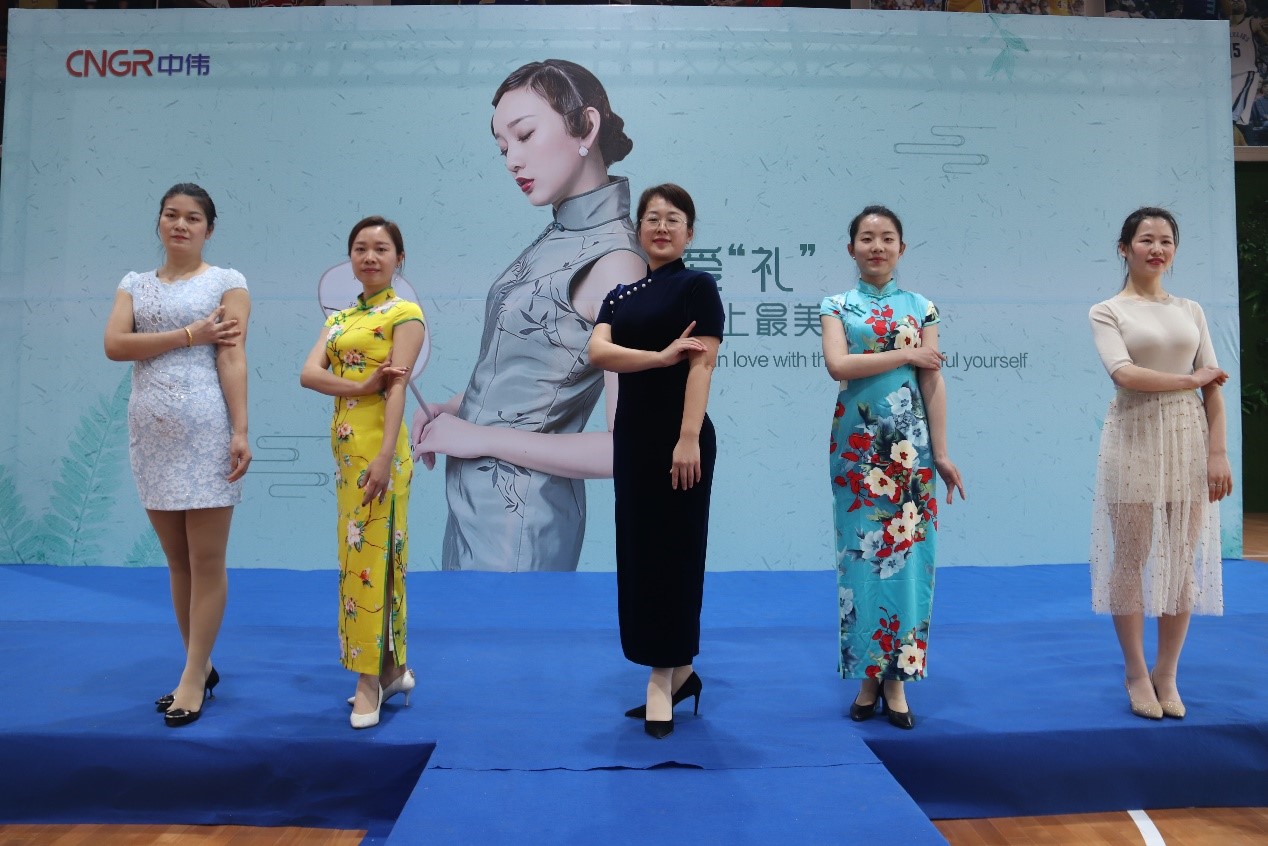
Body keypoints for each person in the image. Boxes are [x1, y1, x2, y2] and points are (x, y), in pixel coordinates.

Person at [411, 59, 645, 572]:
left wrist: (479, 437)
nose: (512, 160)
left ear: (586, 126)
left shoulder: (616, 263)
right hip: (475, 505)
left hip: (522, 522)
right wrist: (452, 409)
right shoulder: (556, 237)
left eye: (524, 135)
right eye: (502, 147)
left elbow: (628, 450)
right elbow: (531, 377)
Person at [103, 183, 251, 727]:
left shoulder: (227, 283)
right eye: (171, 215)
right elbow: (115, 345)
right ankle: (200, 664)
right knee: (177, 560)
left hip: (206, 430)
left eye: (193, 218)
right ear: (159, 222)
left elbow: (231, 357)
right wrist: (189, 333)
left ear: (209, 229)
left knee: (206, 559)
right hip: (151, 434)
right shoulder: (134, 285)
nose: (180, 225)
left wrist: (240, 430)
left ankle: (191, 677)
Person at [819, 205, 965, 731]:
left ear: (901, 248)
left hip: (910, 450)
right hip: (857, 447)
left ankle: (897, 677)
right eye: (866, 237)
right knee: (859, 558)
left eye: (887, 238)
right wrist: (906, 354)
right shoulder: (836, 305)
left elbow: (932, 381)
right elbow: (839, 365)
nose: (876, 246)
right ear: (851, 248)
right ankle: (866, 677)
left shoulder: (922, 307)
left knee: (908, 558)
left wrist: (941, 454)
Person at [589, 183, 724, 739]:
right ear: (637, 229)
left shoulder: (697, 287)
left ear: (689, 232)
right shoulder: (619, 296)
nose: (661, 227)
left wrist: (688, 436)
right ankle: (680, 671)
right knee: (640, 555)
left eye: (673, 219)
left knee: (677, 553)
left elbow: (703, 366)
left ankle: (661, 678)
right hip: (634, 441)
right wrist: (661, 356)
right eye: (652, 218)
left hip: (680, 439)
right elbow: (598, 352)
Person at [1088, 207, 1230, 720]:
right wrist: (1189, 380)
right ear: (1124, 248)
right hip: (1133, 435)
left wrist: (1218, 452)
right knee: (1132, 556)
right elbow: (1124, 373)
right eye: (1146, 239)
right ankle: (1135, 671)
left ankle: (1166, 671)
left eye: (1166, 240)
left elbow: (1214, 385)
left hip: (1188, 436)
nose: (1157, 249)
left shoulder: (1190, 309)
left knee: (1181, 557)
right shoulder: (1108, 310)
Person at [301, 216, 426, 729]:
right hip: (347, 457)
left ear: (399, 258)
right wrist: (358, 386)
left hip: (381, 455)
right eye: (360, 248)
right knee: (357, 561)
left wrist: (384, 456)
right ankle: (393, 669)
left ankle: (368, 680)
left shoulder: (405, 314)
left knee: (374, 561)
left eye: (381, 248)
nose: (370, 257)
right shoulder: (339, 318)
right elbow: (309, 374)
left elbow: (396, 388)